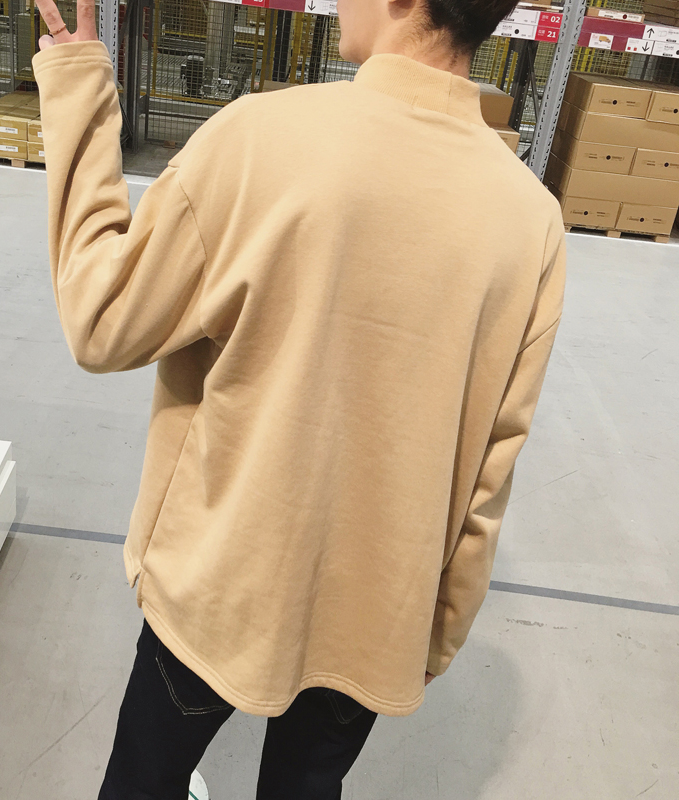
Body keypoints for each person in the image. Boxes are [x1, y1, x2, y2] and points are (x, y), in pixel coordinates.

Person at [31, 0, 565, 795]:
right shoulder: (531, 220)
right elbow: (493, 463)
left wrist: (79, 85)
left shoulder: (261, 138)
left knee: (145, 780)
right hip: (375, 613)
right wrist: (436, 630)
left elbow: (102, 321)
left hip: (222, 582)